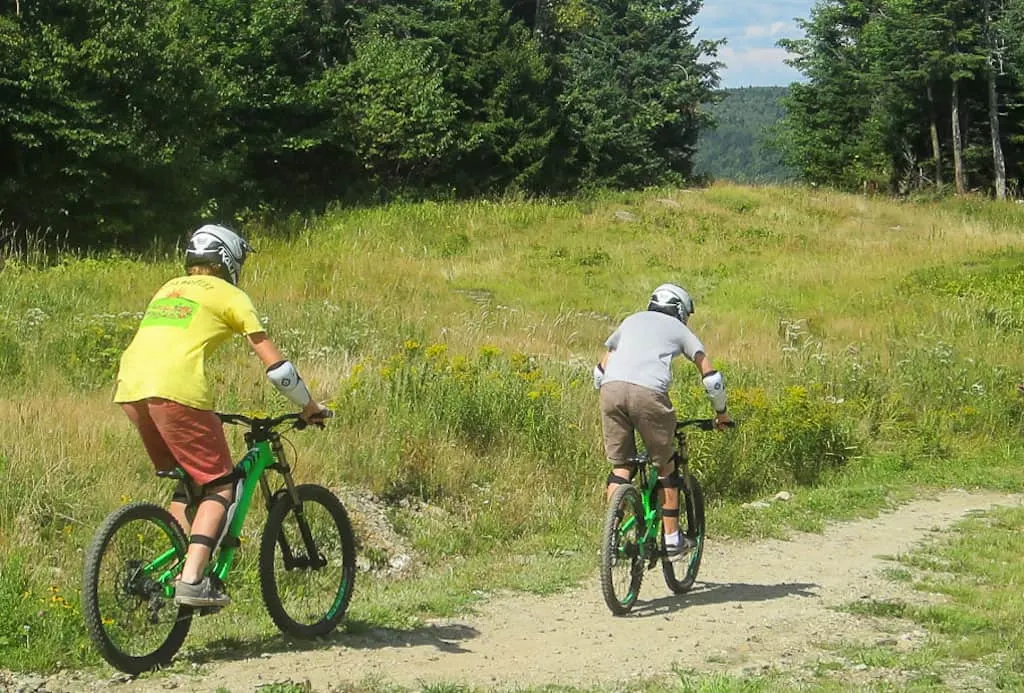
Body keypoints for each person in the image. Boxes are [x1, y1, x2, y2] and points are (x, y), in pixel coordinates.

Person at [113, 224, 329, 608]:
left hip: (130, 389)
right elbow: (277, 368)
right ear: (229, 260)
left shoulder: (168, 289)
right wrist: (308, 405)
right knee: (219, 485)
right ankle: (194, 579)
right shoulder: (231, 294)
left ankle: (176, 566)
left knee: (188, 484)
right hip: (175, 390)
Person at [594, 283, 732, 561]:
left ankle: (612, 535)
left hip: (610, 390)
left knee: (621, 466)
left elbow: (599, 372)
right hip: (648, 393)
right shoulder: (681, 330)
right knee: (666, 464)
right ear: (680, 310)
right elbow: (712, 378)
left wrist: (619, 398)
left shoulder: (630, 320)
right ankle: (671, 541)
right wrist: (721, 414)